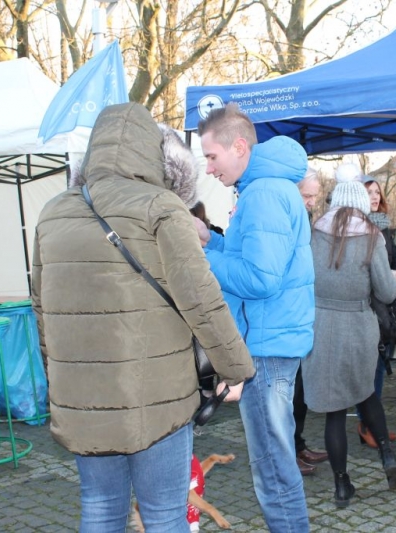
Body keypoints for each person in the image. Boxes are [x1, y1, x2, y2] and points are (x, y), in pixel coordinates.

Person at [31, 103, 255, 532]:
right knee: (164, 513)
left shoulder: (53, 213)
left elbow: (42, 309)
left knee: (100, 507)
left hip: (84, 397)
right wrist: (235, 368)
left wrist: (59, 380)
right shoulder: (161, 206)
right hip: (157, 396)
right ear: (151, 151)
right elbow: (200, 297)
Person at [194, 102, 314, 532]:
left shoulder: (262, 193)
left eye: (212, 156)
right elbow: (256, 265)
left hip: (266, 346)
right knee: (274, 461)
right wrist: (213, 241)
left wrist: (205, 257)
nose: (208, 168)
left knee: (272, 466)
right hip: (272, 338)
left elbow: (261, 279)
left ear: (239, 146)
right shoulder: (265, 187)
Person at [303, 166, 396, 507]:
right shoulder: (372, 235)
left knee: (334, 412)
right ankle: (388, 456)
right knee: (365, 394)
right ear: (361, 201)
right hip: (359, 325)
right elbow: (387, 292)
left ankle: (342, 485)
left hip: (321, 326)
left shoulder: (314, 230)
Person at [357, 172, 396, 445]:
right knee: (371, 366)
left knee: (380, 363)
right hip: (369, 305)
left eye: (377, 192)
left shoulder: (383, 225)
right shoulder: (357, 228)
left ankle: (372, 424)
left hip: (387, 304)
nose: (374, 197)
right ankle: (369, 425)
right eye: (369, 192)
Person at [292, 168, 328, 476]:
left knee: (300, 391)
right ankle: (291, 451)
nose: (312, 202)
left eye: (315, 196)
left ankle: (298, 444)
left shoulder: (303, 217)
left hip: (303, 313)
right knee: (292, 393)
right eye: (308, 195)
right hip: (291, 316)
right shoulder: (292, 217)